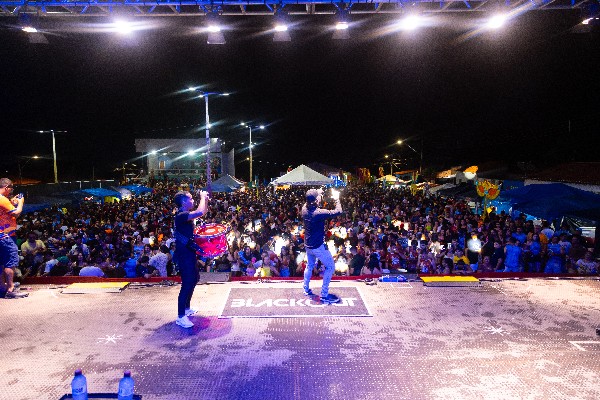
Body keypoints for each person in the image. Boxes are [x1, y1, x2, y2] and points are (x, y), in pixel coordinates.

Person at [173, 190, 208, 328]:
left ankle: (186, 308)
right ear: (183, 202)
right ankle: (180, 316)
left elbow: (203, 211)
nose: (193, 200)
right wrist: (202, 197)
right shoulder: (181, 215)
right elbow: (200, 212)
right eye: (191, 199)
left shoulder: (184, 214)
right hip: (184, 254)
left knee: (194, 279)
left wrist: (205, 200)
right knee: (187, 283)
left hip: (189, 251)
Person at [302, 188, 343, 304]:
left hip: (308, 244)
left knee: (310, 266)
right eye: (318, 197)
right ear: (316, 201)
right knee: (330, 267)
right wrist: (337, 199)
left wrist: (319, 192)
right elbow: (339, 211)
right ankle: (324, 295)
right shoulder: (319, 213)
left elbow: (312, 199)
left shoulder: (304, 209)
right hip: (318, 246)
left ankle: (306, 289)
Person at [0, 178, 24, 298]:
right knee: (10, 260)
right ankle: (10, 289)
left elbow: (11, 215)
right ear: (6, 187)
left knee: (1, 262)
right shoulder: (2, 199)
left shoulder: (4, 200)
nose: (11, 191)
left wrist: (12, 203)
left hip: (3, 234)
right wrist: (20, 202)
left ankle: (2, 287)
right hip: (4, 235)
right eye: (11, 188)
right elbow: (16, 212)